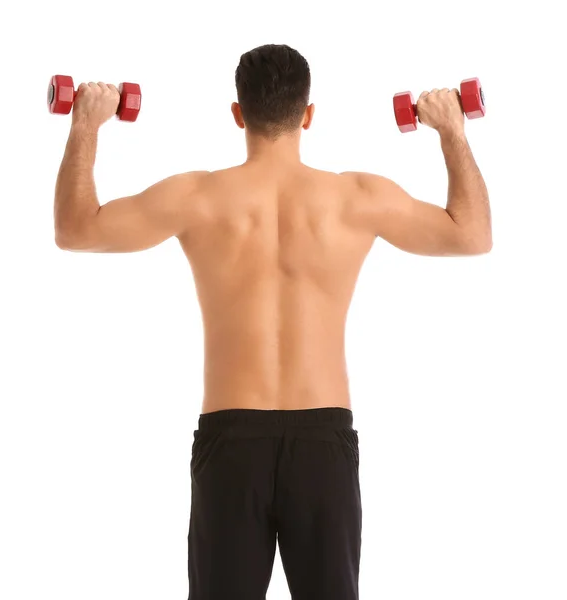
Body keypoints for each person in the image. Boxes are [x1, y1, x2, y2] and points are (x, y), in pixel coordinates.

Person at [53, 44, 491, 600]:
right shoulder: (358, 197)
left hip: (231, 439)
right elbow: (471, 234)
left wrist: (86, 123)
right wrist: (451, 127)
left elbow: (76, 229)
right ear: (309, 114)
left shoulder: (197, 196)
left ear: (238, 113)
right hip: (323, 442)